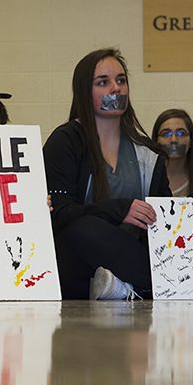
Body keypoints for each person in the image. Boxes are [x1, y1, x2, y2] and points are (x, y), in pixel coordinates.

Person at [43, 48, 171, 300]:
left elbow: (166, 216)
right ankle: (146, 286)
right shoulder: (66, 140)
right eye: (103, 82)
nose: (116, 88)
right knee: (82, 228)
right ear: (84, 92)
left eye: (121, 80)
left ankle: (125, 285)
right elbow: (60, 213)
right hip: (78, 265)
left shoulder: (148, 152)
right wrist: (119, 209)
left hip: (132, 249)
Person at [151, 109, 193, 196]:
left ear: (191, 141)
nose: (173, 140)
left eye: (181, 133)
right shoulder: (146, 182)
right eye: (166, 134)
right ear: (156, 141)